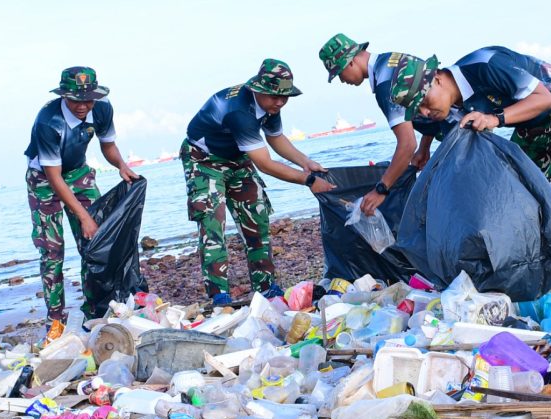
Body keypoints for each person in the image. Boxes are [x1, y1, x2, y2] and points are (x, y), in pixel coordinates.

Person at [385, 47, 551, 307]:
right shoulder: (452, 109)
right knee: (515, 200)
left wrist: (495, 119)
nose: (425, 112)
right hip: (529, 126)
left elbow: (544, 99)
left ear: (436, 78)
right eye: (418, 110)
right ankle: (526, 280)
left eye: (424, 102)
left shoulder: (485, 65)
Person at [181, 60, 334, 307]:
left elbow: (276, 138)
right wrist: (308, 180)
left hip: (237, 157)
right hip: (204, 160)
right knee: (212, 222)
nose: (281, 102)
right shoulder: (239, 112)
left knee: (256, 216)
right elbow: (265, 164)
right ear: (258, 90)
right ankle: (219, 294)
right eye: (276, 96)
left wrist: (305, 162)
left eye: (285, 97)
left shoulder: (270, 105)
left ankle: (265, 286)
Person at [23, 66, 140, 342]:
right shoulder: (48, 121)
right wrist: (83, 217)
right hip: (44, 179)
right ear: (64, 96)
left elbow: (107, 145)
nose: (83, 106)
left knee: (95, 242)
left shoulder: (102, 108)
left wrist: (122, 165)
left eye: (88, 99)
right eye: (76, 100)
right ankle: (55, 321)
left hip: (78, 173)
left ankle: (94, 310)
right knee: (52, 251)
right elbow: (54, 178)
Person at [318, 33, 455, 216]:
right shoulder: (394, 59)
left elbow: (407, 145)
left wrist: (381, 189)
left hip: (458, 135)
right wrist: (425, 147)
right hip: (462, 125)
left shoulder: (385, 84)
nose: (343, 81)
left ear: (349, 62)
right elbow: (428, 107)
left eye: (339, 74)